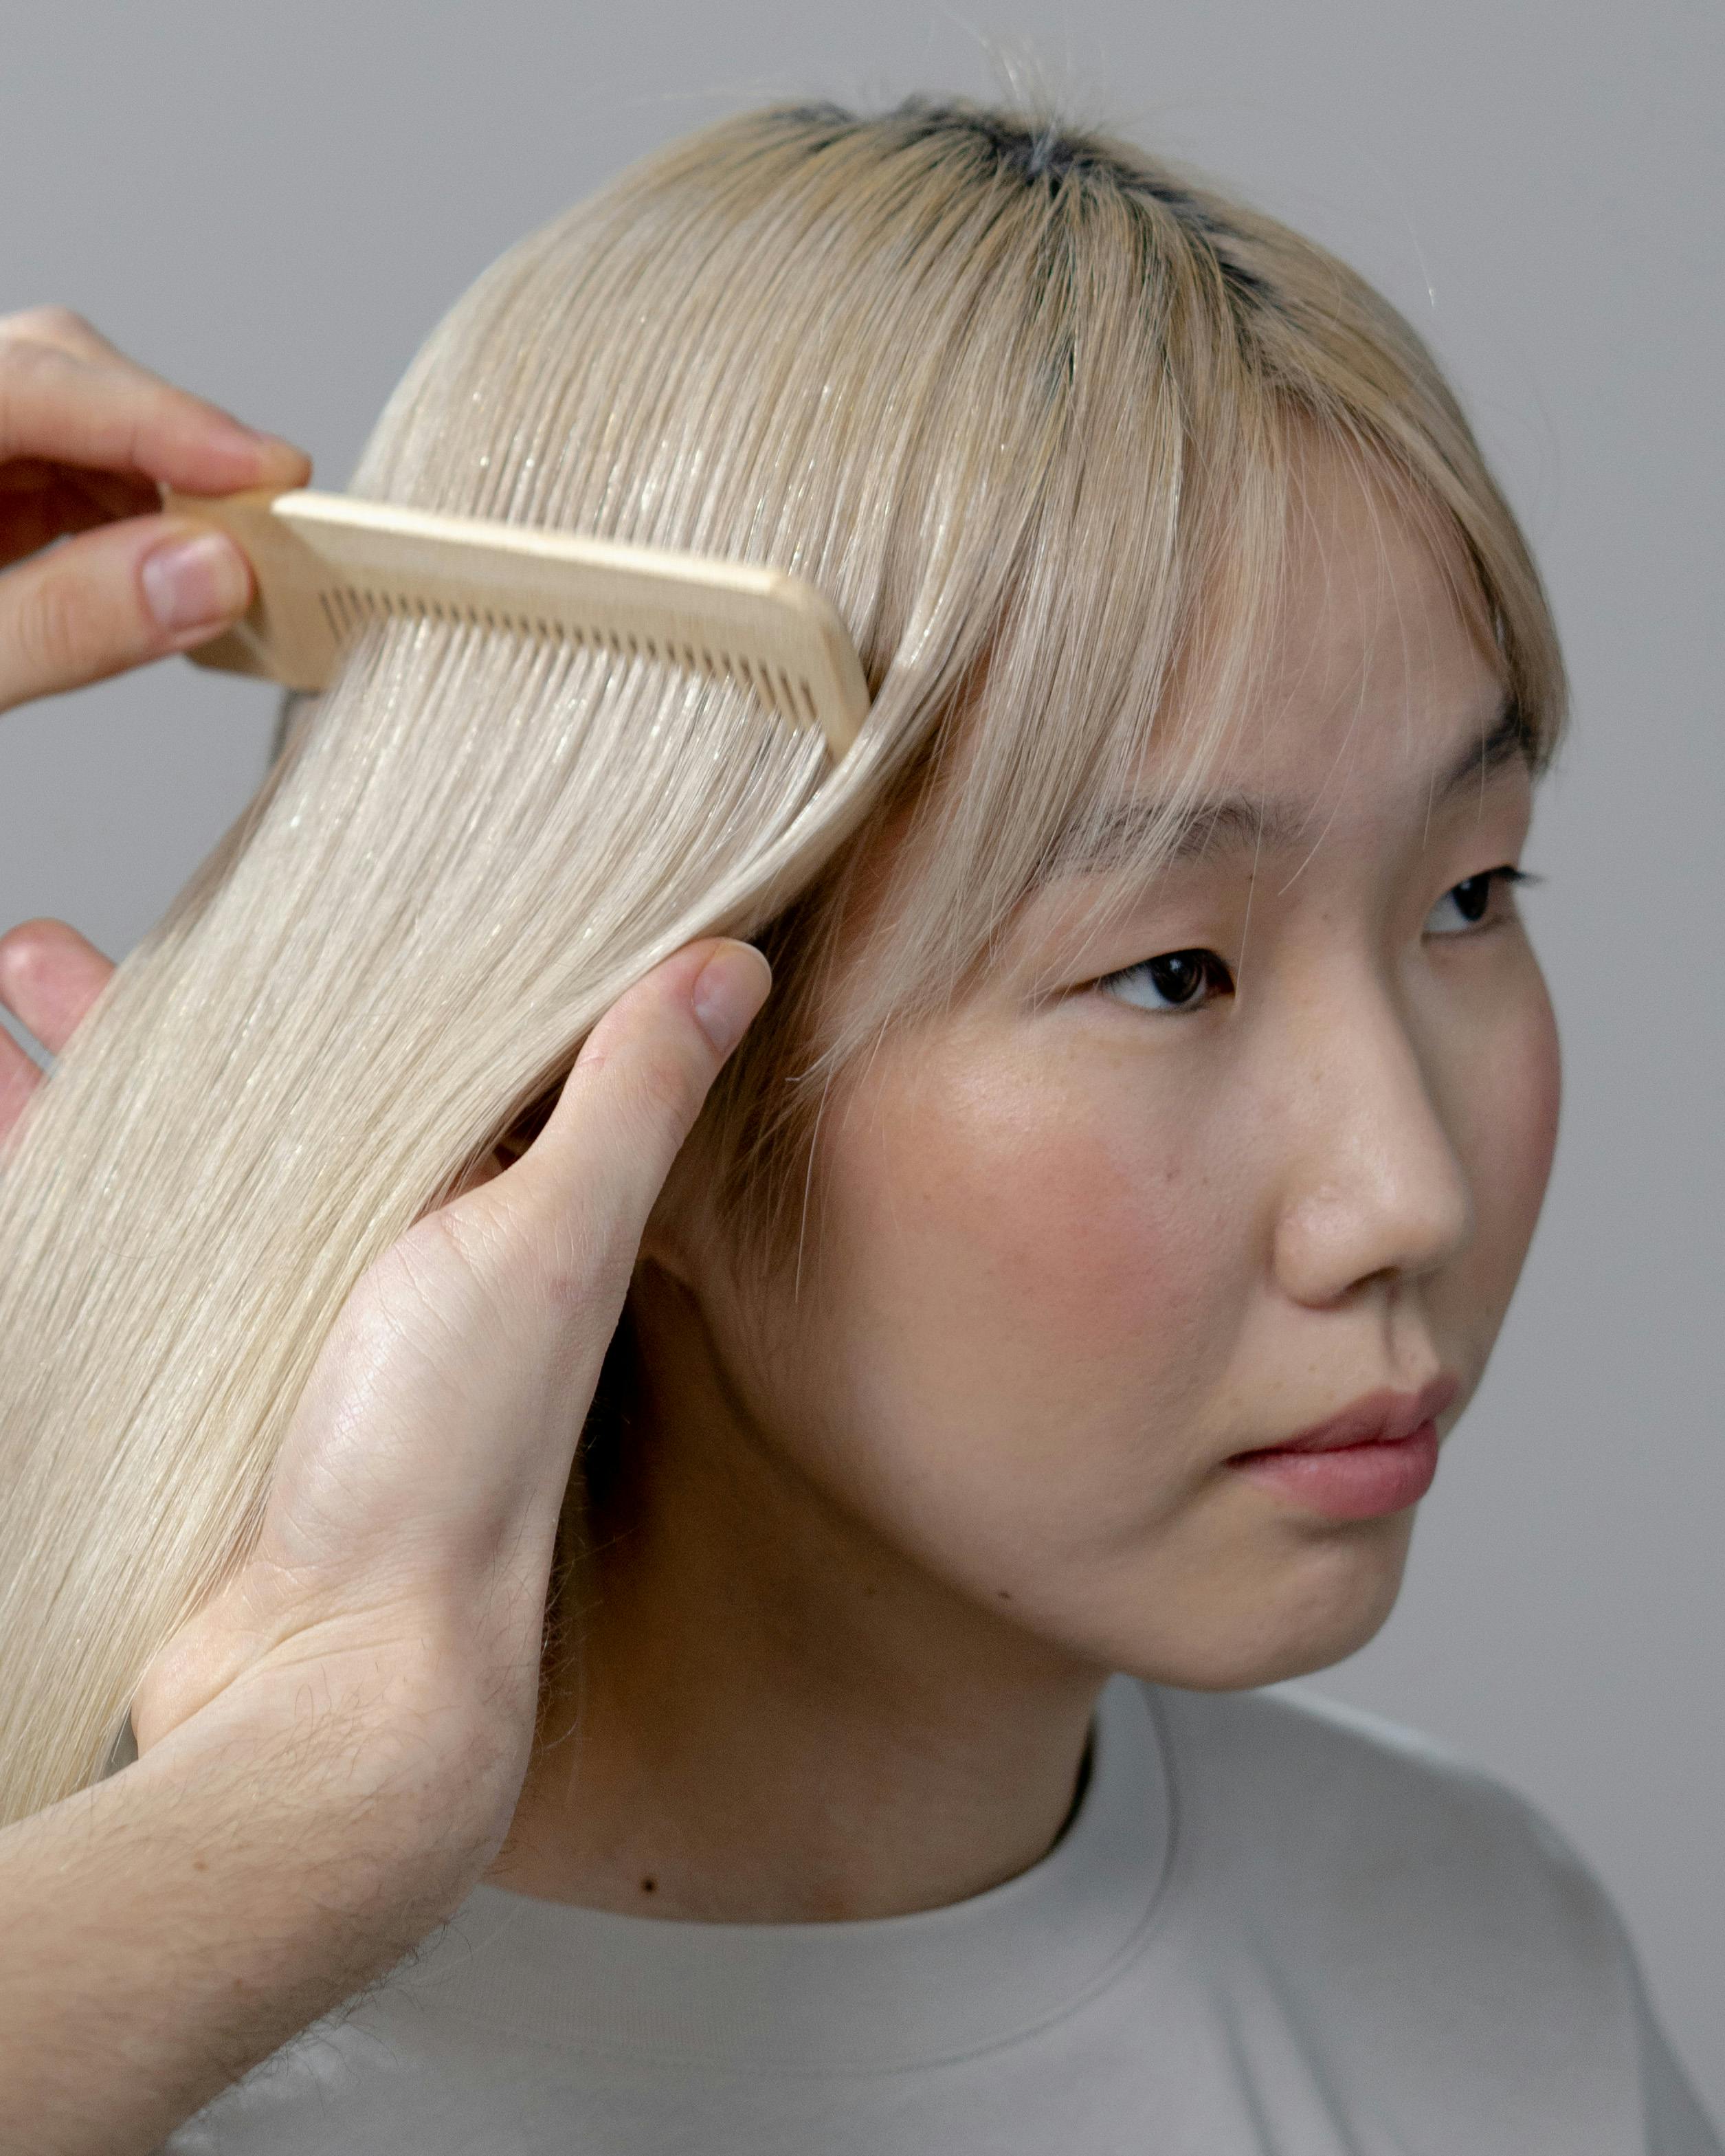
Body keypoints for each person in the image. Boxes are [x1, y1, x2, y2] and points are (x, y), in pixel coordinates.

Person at [0, 96, 1717, 2156]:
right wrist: (298, 1815)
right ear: (621, 1069)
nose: (1405, 1195)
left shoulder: (1486, 1977)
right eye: (1171, 969)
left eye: (1470, 895)